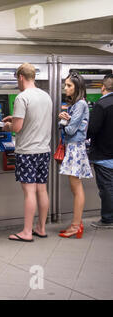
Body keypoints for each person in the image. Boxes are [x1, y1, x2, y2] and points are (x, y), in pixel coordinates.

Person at [2, 63, 52, 242]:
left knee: (29, 192)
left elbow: (17, 127)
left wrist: (8, 125)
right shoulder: (46, 96)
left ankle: (26, 232)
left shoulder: (22, 97)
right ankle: (42, 228)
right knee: (42, 189)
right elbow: (35, 120)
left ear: (20, 77)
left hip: (27, 152)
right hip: (44, 150)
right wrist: (15, 118)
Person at [58, 72, 93, 238]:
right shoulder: (78, 104)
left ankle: (76, 226)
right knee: (76, 187)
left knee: (76, 188)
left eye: (69, 85)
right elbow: (67, 125)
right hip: (75, 147)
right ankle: (75, 225)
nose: (66, 88)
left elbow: (70, 129)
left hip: (75, 148)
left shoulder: (80, 105)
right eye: (66, 85)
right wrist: (64, 119)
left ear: (77, 87)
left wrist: (64, 121)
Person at [87, 73, 113, 229]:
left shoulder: (101, 105)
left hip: (104, 155)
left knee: (107, 188)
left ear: (103, 87)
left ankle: (108, 219)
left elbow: (92, 129)